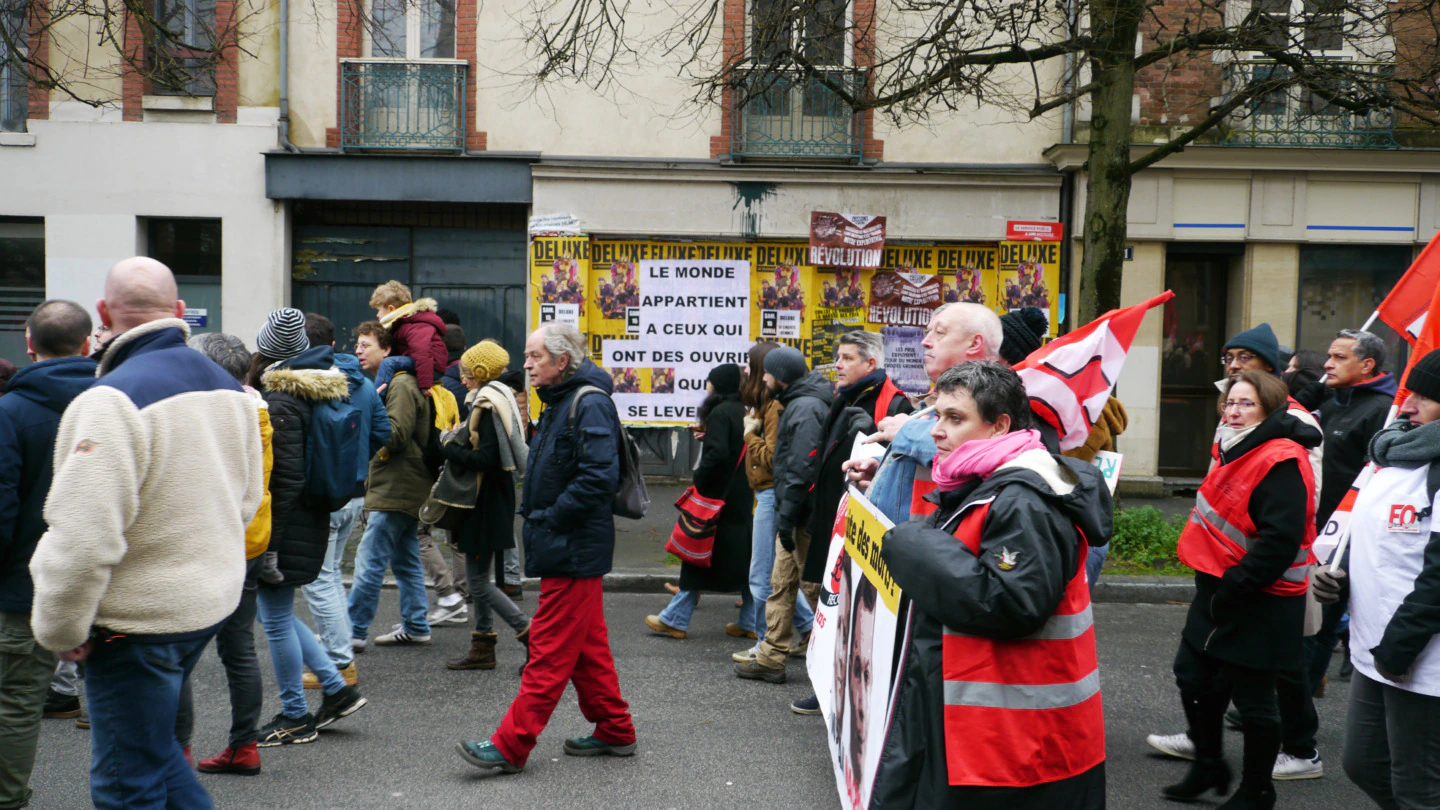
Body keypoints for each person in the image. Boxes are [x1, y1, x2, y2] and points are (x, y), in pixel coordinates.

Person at [28, 257, 264, 809]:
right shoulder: (230, 388)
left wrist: (61, 628)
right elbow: (246, 498)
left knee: (126, 783)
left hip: (134, 621)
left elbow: (82, 537)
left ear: (105, 314)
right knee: (154, 755)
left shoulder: (110, 399)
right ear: (179, 312)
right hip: (205, 606)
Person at [877, 362, 1110, 809]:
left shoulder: (1024, 501)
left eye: (955, 418)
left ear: (999, 424)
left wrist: (914, 545)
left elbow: (1012, 603)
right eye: (936, 415)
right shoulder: (984, 479)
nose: (937, 431)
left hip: (1011, 742)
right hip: (989, 729)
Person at [1147, 323, 1327, 781]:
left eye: (1244, 357)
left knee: (1278, 670)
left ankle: (1300, 750)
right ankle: (1206, 738)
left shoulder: (1294, 428)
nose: (1232, 364)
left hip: (1262, 574)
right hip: (1225, 570)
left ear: (1268, 370)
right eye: (1229, 356)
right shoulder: (1231, 420)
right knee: (1211, 666)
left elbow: (1295, 507)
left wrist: (1246, 572)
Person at [456, 323, 636, 773]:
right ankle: (615, 729)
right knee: (588, 648)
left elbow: (599, 478)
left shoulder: (588, 403)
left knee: (549, 654)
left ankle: (510, 745)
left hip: (572, 545)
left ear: (562, 361)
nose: (526, 365)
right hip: (566, 545)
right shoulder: (560, 400)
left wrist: (550, 518)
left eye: (535, 356)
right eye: (527, 355)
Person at [1322, 348, 1440, 809]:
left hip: (1417, 659)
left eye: (1426, 398)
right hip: (1375, 649)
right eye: (1411, 392)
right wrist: (1340, 577)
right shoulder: (1391, 453)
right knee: (1364, 764)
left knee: (1418, 788)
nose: (1407, 405)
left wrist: (1400, 647)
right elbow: (1377, 541)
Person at [246, 309, 368, 747]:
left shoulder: (279, 399)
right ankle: (336, 690)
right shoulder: (318, 388)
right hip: (309, 516)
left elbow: (284, 479)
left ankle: (295, 716)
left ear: (268, 351)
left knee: (275, 620)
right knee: (277, 615)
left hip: (287, 524)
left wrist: (272, 546)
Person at [0, 300, 95, 807]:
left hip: (25, 586)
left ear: (29, 344)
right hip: (108, 582)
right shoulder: (118, 404)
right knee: (123, 698)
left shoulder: (10, 412)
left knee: (17, 703)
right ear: (87, 344)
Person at [790, 331, 912, 713]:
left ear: (870, 364)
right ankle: (830, 685)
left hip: (864, 525)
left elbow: (895, 468)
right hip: (834, 516)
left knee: (850, 609)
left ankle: (842, 692)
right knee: (831, 603)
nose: (837, 365)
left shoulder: (893, 402)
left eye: (845, 358)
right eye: (838, 357)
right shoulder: (843, 397)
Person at [181, 333, 271, 775]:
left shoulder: (212, 415)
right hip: (252, 540)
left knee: (178, 654)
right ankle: (244, 745)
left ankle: (176, 753)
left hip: (212, 542)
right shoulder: (260, 409)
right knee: (240, 651)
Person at [844, 302, 1006, 524]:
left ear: (974, 343)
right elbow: (932, 462)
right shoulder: (937, 398)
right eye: (928, 332)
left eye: (939, 333)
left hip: (925, 550)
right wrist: (884, 468)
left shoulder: (999, 400)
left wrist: (906, 431)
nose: (925, 341)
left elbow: (978, 454)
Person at [299, 313, 389, 691]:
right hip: (354, 493)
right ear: (335, 345)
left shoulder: (310, 383)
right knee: (331, 573)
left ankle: (338, 661)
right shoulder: (365, 385)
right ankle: (339, 647)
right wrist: (356, 462)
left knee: (318, 579)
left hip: (322, 496)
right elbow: (384, 432)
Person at [734, 346, 833, 684]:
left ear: (780, 376)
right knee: (782, 583)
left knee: (807, 586)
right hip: (793, 509)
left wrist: (787, 518)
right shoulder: (799, 402)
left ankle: (827, 663)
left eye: (766, 372)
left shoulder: (803, 407)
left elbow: (797, 467)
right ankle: (771, 656)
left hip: (797, 512)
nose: (761, 377)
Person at [440, 341, 532, 673]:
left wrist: (449, 445)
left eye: (466, 373)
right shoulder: (501, 395)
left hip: (484, 501)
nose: (462, 379)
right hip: (492, 498)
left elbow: (486, 458)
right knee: (482, 575)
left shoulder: (489, 404)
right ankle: (483, 647)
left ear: (479, 372)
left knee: (477, 582)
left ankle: (530, 636)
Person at [647, 364, 754, 639]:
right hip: (739, 493)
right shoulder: (739, 410)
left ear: (716, 385)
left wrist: (700, 478)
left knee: (697, 551)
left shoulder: (719, 412)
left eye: (709, 381)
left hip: (717, 496)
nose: (706, 385)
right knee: (746, 556)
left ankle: (675, 619)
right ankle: (752, 620)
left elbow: (717, 456)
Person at [347, 321, 435, 649]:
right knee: (406, 558)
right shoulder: (394, 383)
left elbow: (395, 436)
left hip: (397, 485)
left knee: (369, 559)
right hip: (404, 483)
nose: (358, 350)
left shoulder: (400, 385)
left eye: (365, 344)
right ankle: (416, 624)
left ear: (388, 351)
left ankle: (351, 631)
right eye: (357, 344)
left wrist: (367, 415)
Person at [370, 281, 448, 393]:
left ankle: (377, 399)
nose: (377, 315)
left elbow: (422, 351)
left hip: (431, 366)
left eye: (378, 310)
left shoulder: (413, 324)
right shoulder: (404, 323)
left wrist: (425, 384)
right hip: (425, 364)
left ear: (391, 309)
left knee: (388, 363)